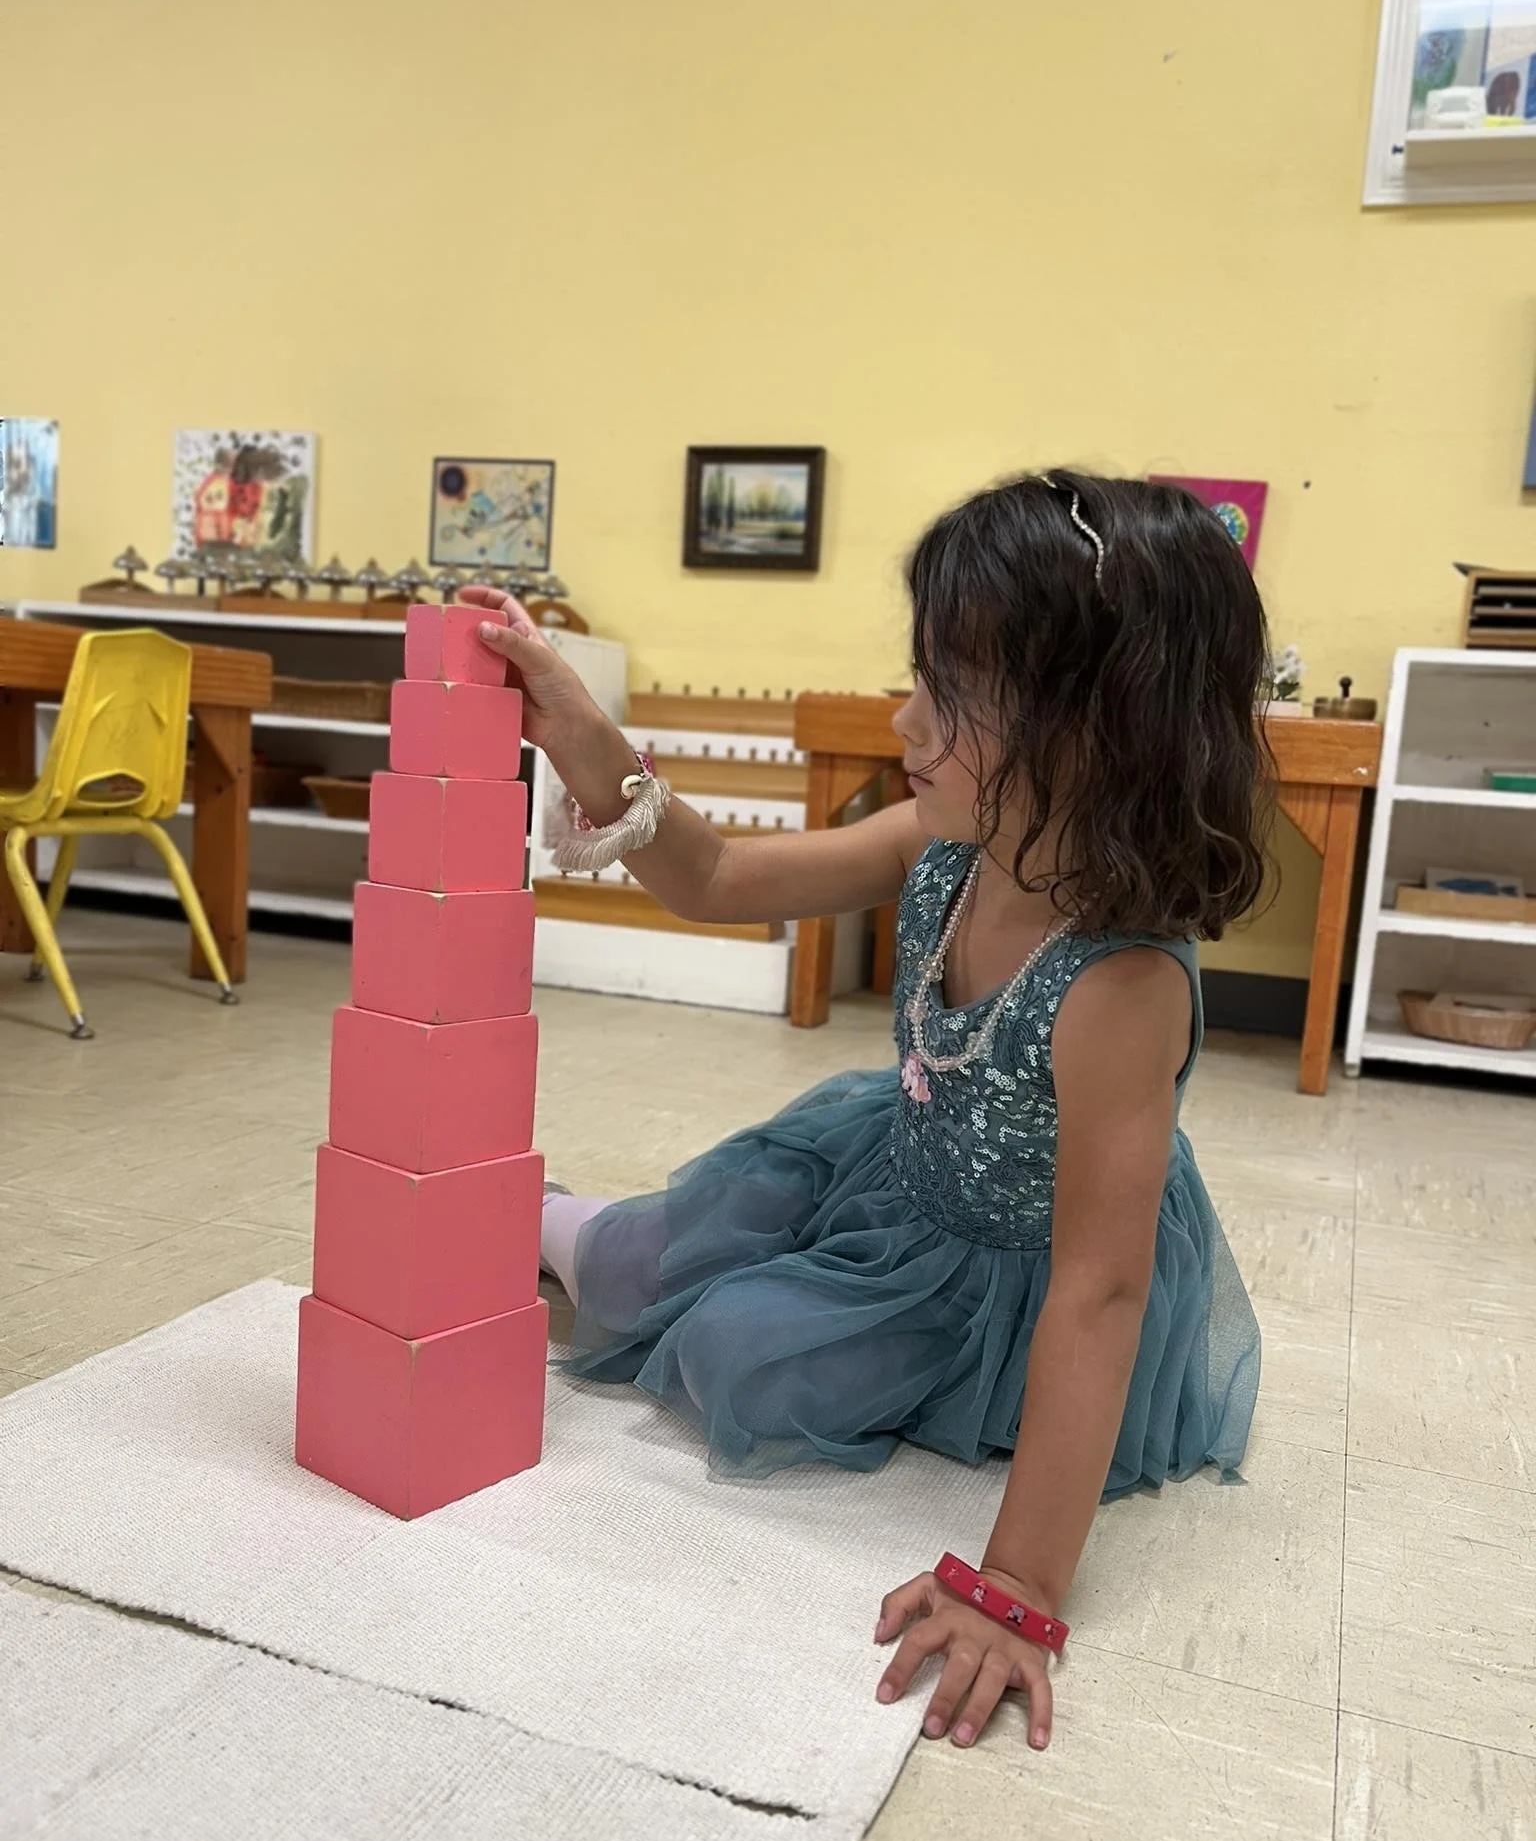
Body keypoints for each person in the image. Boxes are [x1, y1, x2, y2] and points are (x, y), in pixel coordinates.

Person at [462, 469, 1268, 1755]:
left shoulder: (1122, 984)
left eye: (950, 694)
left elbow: (1100, 1291)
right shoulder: (946, 843)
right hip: (885, 1162)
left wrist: (1019, 1585)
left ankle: (605, 1246)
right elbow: (718, 875)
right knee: (637, 1261)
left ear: (1099, 727)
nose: (905, 719)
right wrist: (584, 731)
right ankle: (563, 1223)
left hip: (1012, 1269)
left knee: (739, 1353)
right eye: (918, 678)